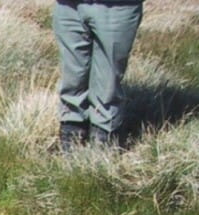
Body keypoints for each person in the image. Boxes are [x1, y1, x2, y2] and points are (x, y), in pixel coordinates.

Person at [53, 0, 143, 151]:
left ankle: (104, 140)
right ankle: (70, 134)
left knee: (108, 79)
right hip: (68, 6)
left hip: (116, 7)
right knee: (72, 76)